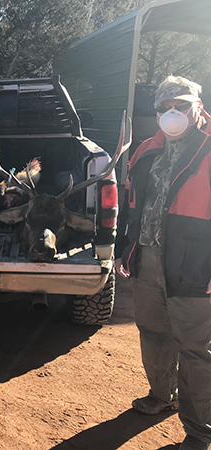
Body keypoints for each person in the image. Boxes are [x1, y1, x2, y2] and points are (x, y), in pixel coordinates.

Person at [116, 76, 211, 450]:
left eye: (180, 105)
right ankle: (162, 394)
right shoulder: (145, 151)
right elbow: (131, 205)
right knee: (153, 333)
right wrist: (127, 247)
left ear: (197, 105)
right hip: (148, 259)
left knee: (195, 350)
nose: (172, 114)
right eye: (164, 108)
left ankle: (201, 432)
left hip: (196, 265)